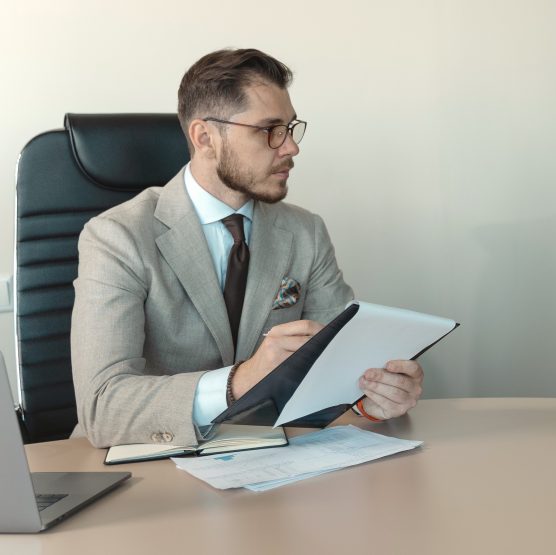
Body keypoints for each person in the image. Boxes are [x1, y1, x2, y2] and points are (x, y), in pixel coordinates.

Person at [71, 48, 423, 448]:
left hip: (270, 460)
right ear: (205, 138)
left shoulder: (305, 231)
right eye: (269, 129)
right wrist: (240, 381)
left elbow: (336, 364)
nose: (291, 147)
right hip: (149, 465)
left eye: (291, 128)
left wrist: (371, 398)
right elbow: (102, 407)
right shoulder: (116, 237)